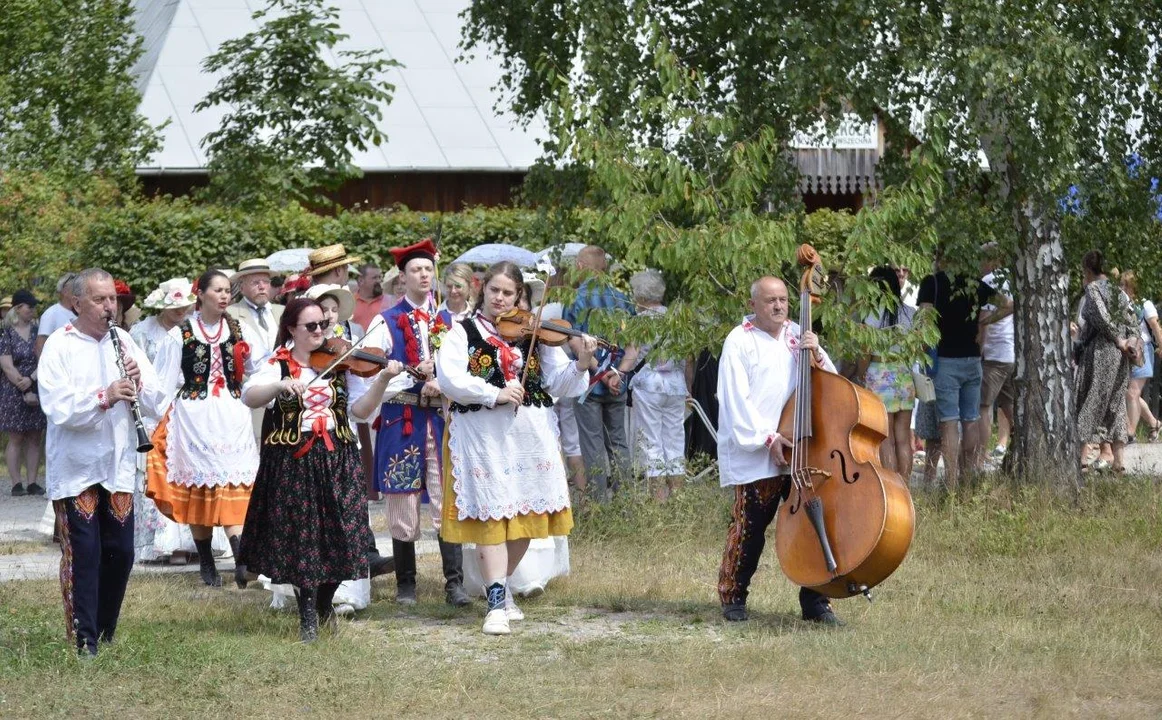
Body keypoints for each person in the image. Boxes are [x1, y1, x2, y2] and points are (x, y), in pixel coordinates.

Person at [436, 261, 597, 634]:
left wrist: (583, 361)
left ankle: (501, 586)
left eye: (509, 293)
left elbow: (561, 384)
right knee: (492, 515)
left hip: (531, 437)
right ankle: (495, 605)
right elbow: (451, 378)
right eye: (495, 290)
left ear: (520, 296)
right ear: (483, 290)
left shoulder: (537, 333)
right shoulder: (462, 331)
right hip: (482, 436)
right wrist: (494, 392)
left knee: (527, 519)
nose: (500, 298)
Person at [238, 298, 402, 642]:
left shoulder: (340, 363)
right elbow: (250, 396)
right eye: (310, 326)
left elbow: (359, 411)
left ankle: (325, 603)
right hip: (295, 460)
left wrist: (383, 380)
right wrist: (280, 386)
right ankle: (308, 615)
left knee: (342, 536)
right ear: (292, 329)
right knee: (304, 540)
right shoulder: (278, 364)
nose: (319, 332)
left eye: (322, 325)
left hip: (338, 458)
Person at [37, 268, 167, 657]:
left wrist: (139, 385)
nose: (110, 306)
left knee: (122, 554)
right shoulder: (59, 346)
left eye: (112, 298)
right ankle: (85, 639)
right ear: (77, 303)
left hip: (117, 464)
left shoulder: (123, 340)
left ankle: (106, 630)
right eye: (99, 299)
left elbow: (158, 398)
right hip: (76, 468)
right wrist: (105, 395)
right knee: (85, 556)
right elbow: (58, 408)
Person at [717, 276, 842, 626]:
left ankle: (816, 601)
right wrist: (768, 439)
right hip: (759, 449)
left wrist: (816, 352)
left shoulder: (797, 336)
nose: (778, 306)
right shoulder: (739, 340)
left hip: (803, 449)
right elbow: (734, 401)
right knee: (750, 527)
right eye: (770, 300)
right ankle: (734, 596)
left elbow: (831, 383)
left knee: (813, 525)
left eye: (784, 299)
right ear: (753, 303)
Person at [146, 269, 267, 587]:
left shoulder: (241, 329)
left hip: (231, 415)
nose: (225, 295)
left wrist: (250, 390)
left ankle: (242, 560)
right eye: (218, 290)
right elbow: (165, 381)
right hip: (195, 418)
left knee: (236, 484)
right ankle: (208, 562)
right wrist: (158, 419)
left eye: (228, 290)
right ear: (200, 294)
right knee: (200, 489)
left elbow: (259, 369)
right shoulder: (180, 332)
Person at [366, 238, 470, 607]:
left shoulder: (451, 321)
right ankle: (406, 585)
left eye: (428, 269)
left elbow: (463, 370)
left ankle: (453, 584)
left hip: (439, 419)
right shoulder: (386, 321)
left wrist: (442, 378)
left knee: (446, 498)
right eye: (416, 270)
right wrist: (414, 374)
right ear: (403, 277)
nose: (423, 275)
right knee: (403, 500)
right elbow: (373, 375)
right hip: (402, 418)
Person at [129, 278, 213, 564]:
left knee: (187, 470)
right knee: (156, 471)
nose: (180, 311)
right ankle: (160, 544)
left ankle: (191, 542)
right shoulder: (141, 333)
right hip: (153, 406)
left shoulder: (194, 332)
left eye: (184, 306)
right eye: (174, 306)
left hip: (189, 407)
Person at [916, 257, 1002, 490]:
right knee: (970, 420)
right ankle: (968, 478)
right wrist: (983, 325)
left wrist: (921, 352)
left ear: (939, 256)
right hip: (973, 360)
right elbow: (1008, 305)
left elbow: (924, 323)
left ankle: (952, 483)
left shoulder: (931, 283)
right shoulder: (974, 283)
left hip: (945, 361)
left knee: (949, 423)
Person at [564, 245, 635, 502]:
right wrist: (618, 373)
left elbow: (574, 342)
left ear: (580, 267)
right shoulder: (623, 299)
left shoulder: (574, 300)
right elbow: (633, 345)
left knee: (592, 445)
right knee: (619, 443)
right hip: (617, 383)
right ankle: (625, 502)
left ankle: (599, 507)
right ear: (604, 268)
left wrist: (600, 372)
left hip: (588, 383)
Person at [625, 270, 688, 500]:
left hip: (649, 384)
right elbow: (687, 357)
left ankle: (658, 500)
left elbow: (631, 356)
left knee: (651, 442)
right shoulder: (677, 319)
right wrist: (688, 386)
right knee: (674, 440)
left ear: (639, 296)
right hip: (676, 384)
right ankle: (678, 497)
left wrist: (616, 374)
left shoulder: (639, 321)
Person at [1074, 250, 1136, 473]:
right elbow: (1132, 322)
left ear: (1088, 270)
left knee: (1090, 400)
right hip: (1121, 357)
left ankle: (1079, 461)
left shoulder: (1092, 289)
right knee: (1116, 405)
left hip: (1100, 353)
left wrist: (1119, 340)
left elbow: (1101, 317)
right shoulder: (1119, 292)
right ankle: (1118, 463)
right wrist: (1131, 344)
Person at [857, 267, 917, 476]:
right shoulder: (910, 313)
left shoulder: (869, 315)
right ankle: (906, 487)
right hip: (904, 375)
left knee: (886, 438)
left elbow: (865, 353)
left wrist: (860, 374)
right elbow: (919, 348)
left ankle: (892, 487)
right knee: (903, 438)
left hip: (878, 375)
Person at [1, 289, 47, 496]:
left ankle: (32, 482)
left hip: (35, 382)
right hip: (13, 389)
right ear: (18, 308)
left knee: (35, 436)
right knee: (16, 437)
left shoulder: (38, 331)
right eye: (30, 306)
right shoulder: (6, 332)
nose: (33, 310)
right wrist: (23, 384)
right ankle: (16, 482)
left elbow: (45, 359)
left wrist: (32, 380)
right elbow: (6, 364)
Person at [978, 256, 1016, 462]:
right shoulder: (1013, 279)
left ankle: (981, 453)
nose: (978, 263)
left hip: (994, 353)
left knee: (983, 407)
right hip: (1011, 353)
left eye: (980, 259)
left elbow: (984, 316)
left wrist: (980, 349)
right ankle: (1022, 443)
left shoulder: (989, 281)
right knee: (1009, 404)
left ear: (991, 261)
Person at [1120, 271, 1162, 441]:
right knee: (1129, 393)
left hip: (1143, 351)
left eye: (1124, 285)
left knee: (1132, 392)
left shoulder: (1145, 304)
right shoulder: (1125, 304)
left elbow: (1155, 326)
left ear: (1132, 286)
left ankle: (1130, 433)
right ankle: (1154, 423)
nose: (1121, 288)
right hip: (1130, 351)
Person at [227, 259, 284, 354]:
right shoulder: (230, 314)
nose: (262, 287)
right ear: (242, 288)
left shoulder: (283, 311)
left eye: (266, 282)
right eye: (255, 282)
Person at [36, 272, 78, 356]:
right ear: (65, 291)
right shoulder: (51, 314)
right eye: (76, 289)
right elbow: (40, 345)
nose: (79, 292)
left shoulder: (82, 312)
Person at [352, 263, 390, 330]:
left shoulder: (389, 302)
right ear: (361, 280)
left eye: (380, 277)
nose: (379, 280)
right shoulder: (349, 301)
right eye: (374, 278)